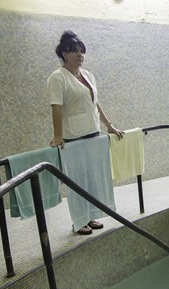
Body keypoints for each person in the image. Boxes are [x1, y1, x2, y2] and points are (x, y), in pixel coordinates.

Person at [47, 30, 124, 235]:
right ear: (64, 53)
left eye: (82, 51)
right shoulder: (58, 78)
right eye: (75, 51)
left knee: (90, 178)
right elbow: (57, 107)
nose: (80, 55)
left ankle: (89, 216)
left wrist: (108, 125)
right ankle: (78, 221)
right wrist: (58, 135)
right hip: (74, 136)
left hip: (93, 133)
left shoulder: (88, 75)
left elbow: (95, 104)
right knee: (77, 180)